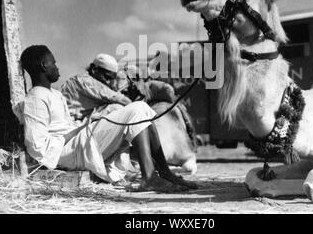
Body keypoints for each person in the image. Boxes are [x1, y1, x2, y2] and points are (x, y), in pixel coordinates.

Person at [20, 45, 195, 192]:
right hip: (66, 152)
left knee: (141, 108)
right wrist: (76, 132)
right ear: (44, 65)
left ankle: (164, 172)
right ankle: (149, 177)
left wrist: (84, 124)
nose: (58, 68)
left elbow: (65, 125)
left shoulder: (55, 94)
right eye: (54, 63)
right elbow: (36, 146)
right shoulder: (35, 97)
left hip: (77, 141)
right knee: (135, 110)